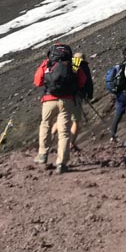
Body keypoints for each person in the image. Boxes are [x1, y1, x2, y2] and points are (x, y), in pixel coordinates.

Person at [34, 42, 89, 172]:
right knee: (64, 132)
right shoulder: (73, 63)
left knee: (45, 124)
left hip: (48, 100)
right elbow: (82, 81)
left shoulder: (47, 63)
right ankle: (61, 163)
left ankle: (42, 154)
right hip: (67, 101)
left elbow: (37, 82)